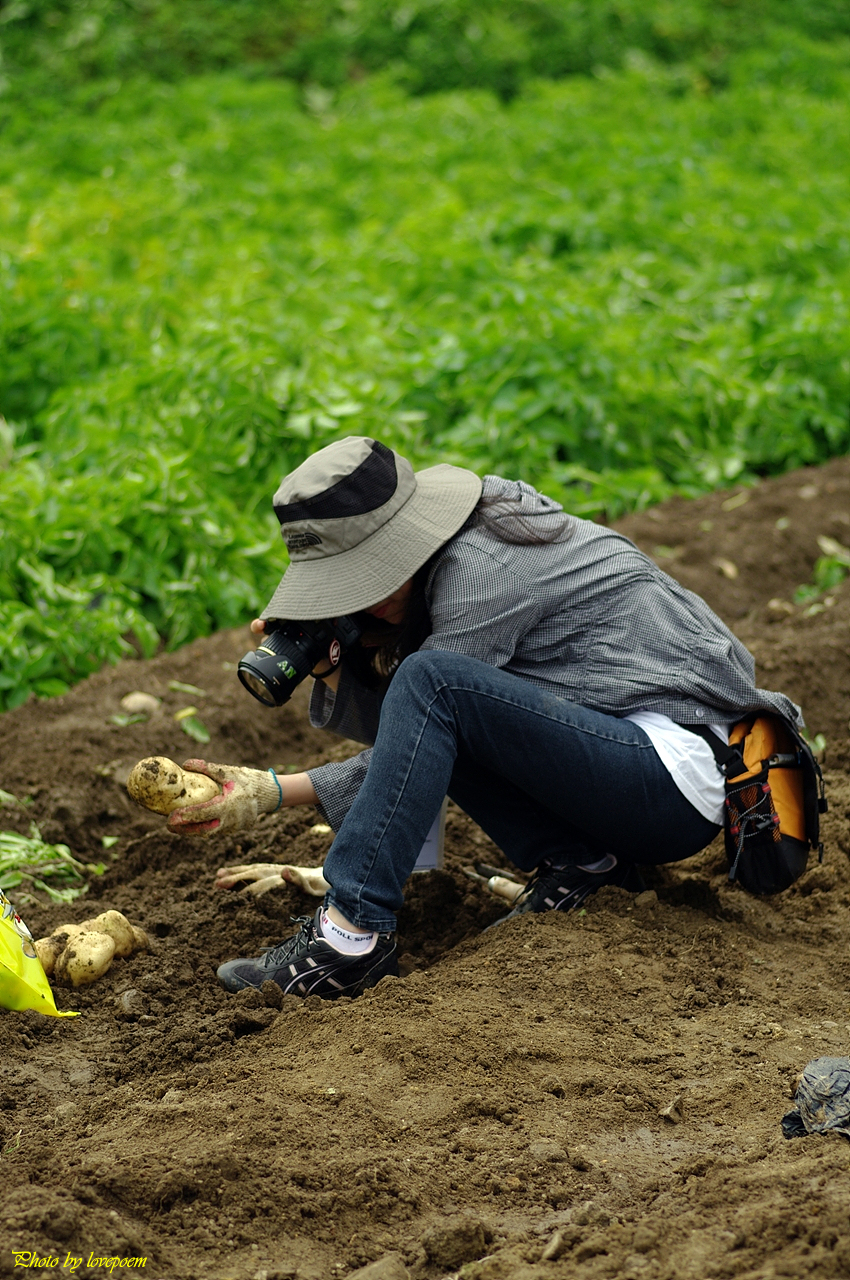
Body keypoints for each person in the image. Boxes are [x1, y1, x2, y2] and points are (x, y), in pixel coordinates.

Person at [167, 436, 801, 1001]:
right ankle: (585, 863)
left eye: (357, 581)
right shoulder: (453, 552)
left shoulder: (479, 571)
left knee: (430, 681)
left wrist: (273, 791)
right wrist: (337, 666)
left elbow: (421, 728)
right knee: (434, 688)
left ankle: (348, 937)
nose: (353, 599)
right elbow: (422, 737)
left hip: (671, 776)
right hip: (631, 766)